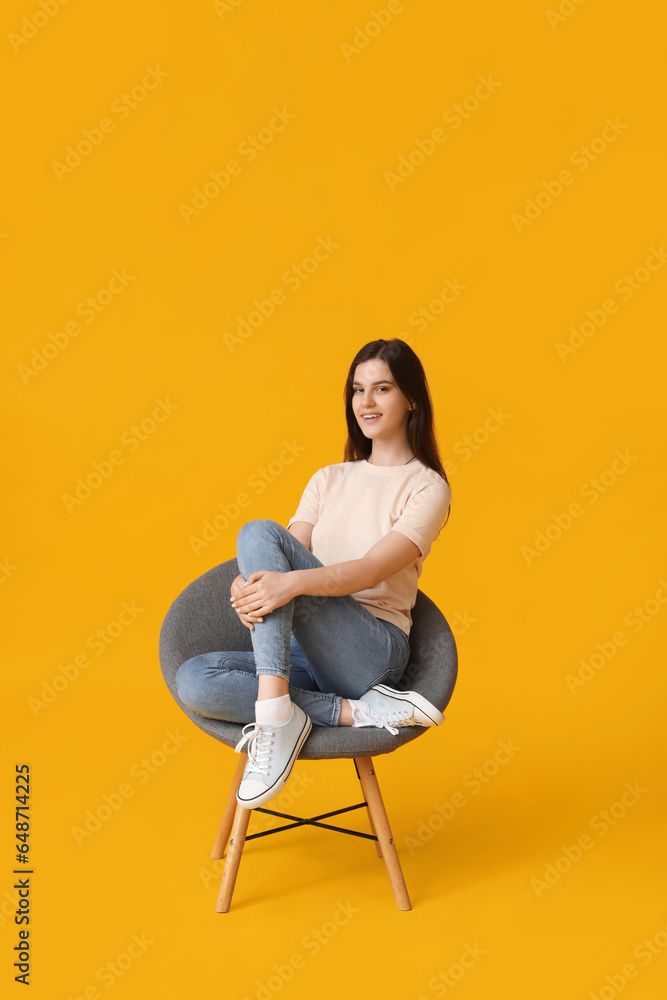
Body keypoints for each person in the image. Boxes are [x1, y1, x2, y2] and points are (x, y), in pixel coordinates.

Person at [176, 338, 452, 809]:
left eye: (381, 389)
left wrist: (285, 585)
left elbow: (368, 571)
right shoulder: (328, 478)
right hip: (304, 658)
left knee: (259, 531)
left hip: (369, 652)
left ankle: (277, 713)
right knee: (194, 679)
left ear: (410, 398)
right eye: (357, 390)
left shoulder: (428, 487)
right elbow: (284, 556)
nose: (365, 402)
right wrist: (249, 589)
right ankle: (316, 713)